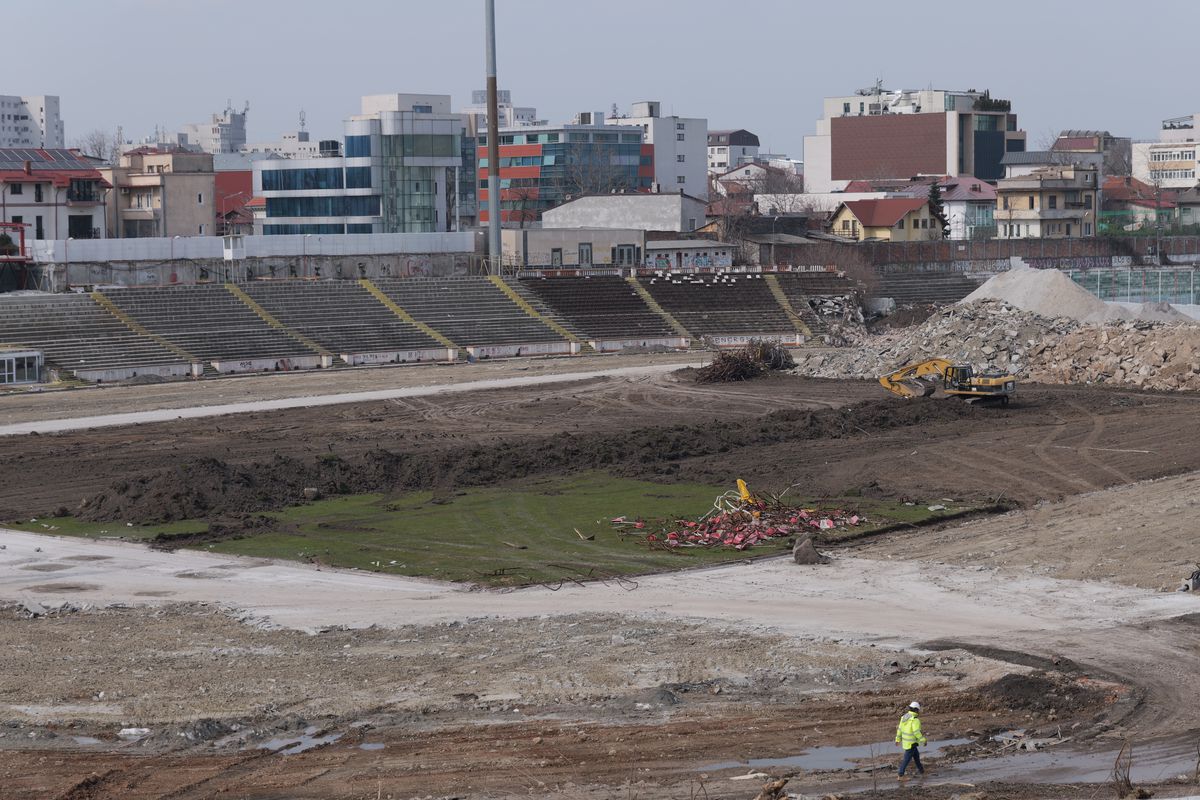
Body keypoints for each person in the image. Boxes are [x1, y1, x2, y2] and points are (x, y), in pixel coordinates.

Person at [895, 700, 927, 780]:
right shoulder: (915, 720)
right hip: (911, 743)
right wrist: (923, 740)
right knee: (906, 760)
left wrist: (898, 739)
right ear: (916, 710)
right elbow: (916, 732)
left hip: (907, 743)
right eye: (918, 710)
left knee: (916, 757)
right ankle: (900, 775)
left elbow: (899, 729)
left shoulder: (904, 717)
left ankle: (922, 771)